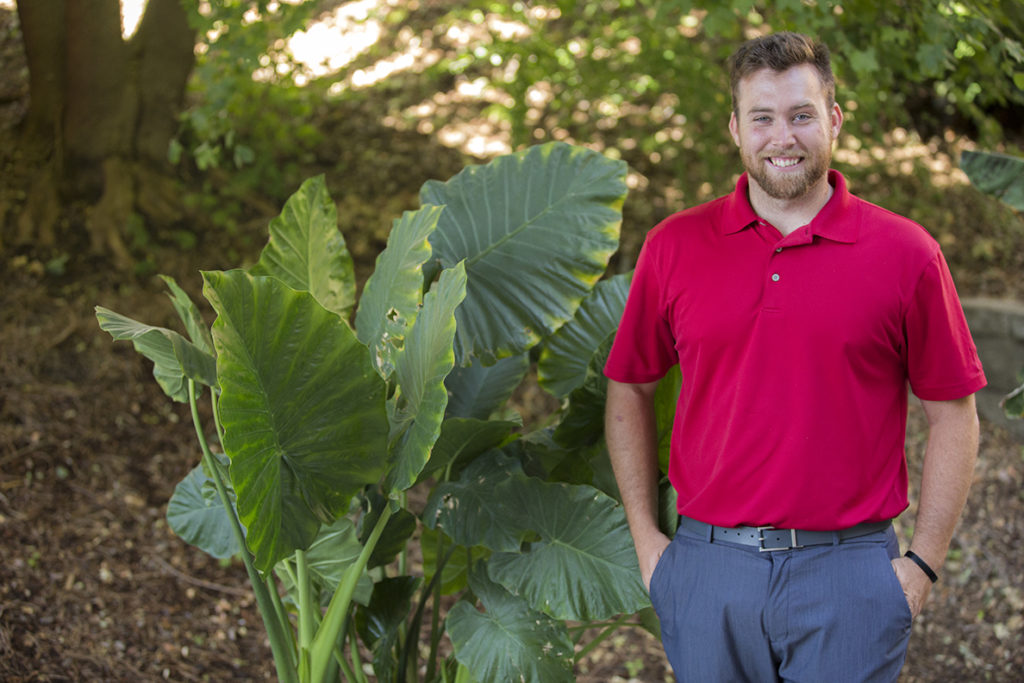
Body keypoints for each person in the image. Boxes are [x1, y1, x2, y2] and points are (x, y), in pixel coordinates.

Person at [604, 31, 986, 682]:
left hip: (850, 576)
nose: (784, 135)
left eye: (802, 115)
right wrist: (651, 547)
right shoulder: (674, 246)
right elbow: (629, 388)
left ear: (833, 120)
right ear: (736, 128)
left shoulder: (906, 252)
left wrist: (919, 566)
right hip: (707, 570)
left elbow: (954, 412)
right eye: (763, 117)